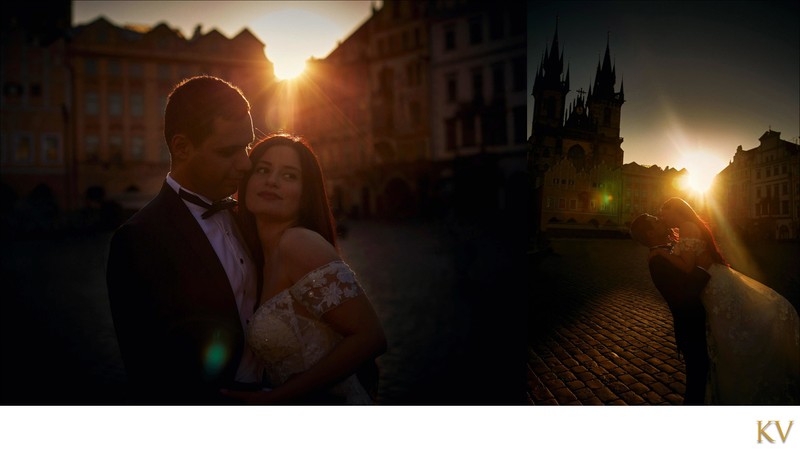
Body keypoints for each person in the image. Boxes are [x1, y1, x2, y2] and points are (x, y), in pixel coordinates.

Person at [106, 75, 261, 404]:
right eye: (229, 151)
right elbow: (149, 371)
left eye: (247, 145)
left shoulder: (251, 214)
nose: (246, 164)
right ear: (182, 147)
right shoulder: (137, 240)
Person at [222, 132, 387, 405]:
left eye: (289, 176)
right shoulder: (258, 256)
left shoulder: (298, 242)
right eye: (263, 170)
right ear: (247, 180)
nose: (272, 181)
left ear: (304, 193)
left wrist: (278, 397)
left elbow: (371, 338)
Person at [653, 197, 800, 405]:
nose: (661, 217)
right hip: (716, 281)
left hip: (714, 286)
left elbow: (687, 266)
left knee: (731, 335)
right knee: (732, 332)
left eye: (663, 212)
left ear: (674, 210)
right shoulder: (688, 225)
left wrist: (660, 253)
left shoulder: (686, 225)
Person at [630, 213, 711, 405]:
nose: (662, 219)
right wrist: (705, 269)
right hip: (691, 328)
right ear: (651, 234)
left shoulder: (665, 251)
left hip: (698, 323)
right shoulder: (657, 261)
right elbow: (683, 295)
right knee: (697, 383)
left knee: (704, 377)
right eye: (656, 221)